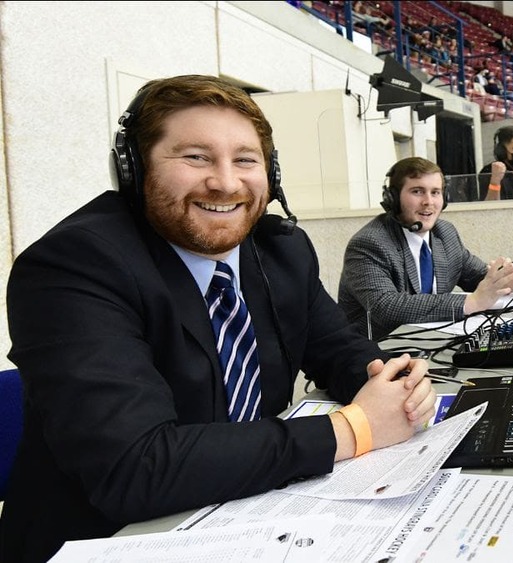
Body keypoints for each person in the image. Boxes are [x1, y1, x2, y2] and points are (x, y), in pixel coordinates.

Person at [0, 75, 437, 562]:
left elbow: (338, 347)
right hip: (108, 540)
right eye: (196, 157)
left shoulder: (279, 250)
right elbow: (136, 467)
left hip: (249, 513)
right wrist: (355, 427)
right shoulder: (74, 265)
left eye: (245, 160)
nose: (226, 183)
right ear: (133, 168)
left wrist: (390, 383)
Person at [339, 157, 513, 340]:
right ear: (393, 198)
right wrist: (472, 302)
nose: (428, 201)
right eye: (417, 191)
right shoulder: (369, 243)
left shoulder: (445, 233)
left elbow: (477, 277)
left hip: (429, 344)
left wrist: (502, 281)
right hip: (375, 350)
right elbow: (386, 307)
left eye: (435, 192)